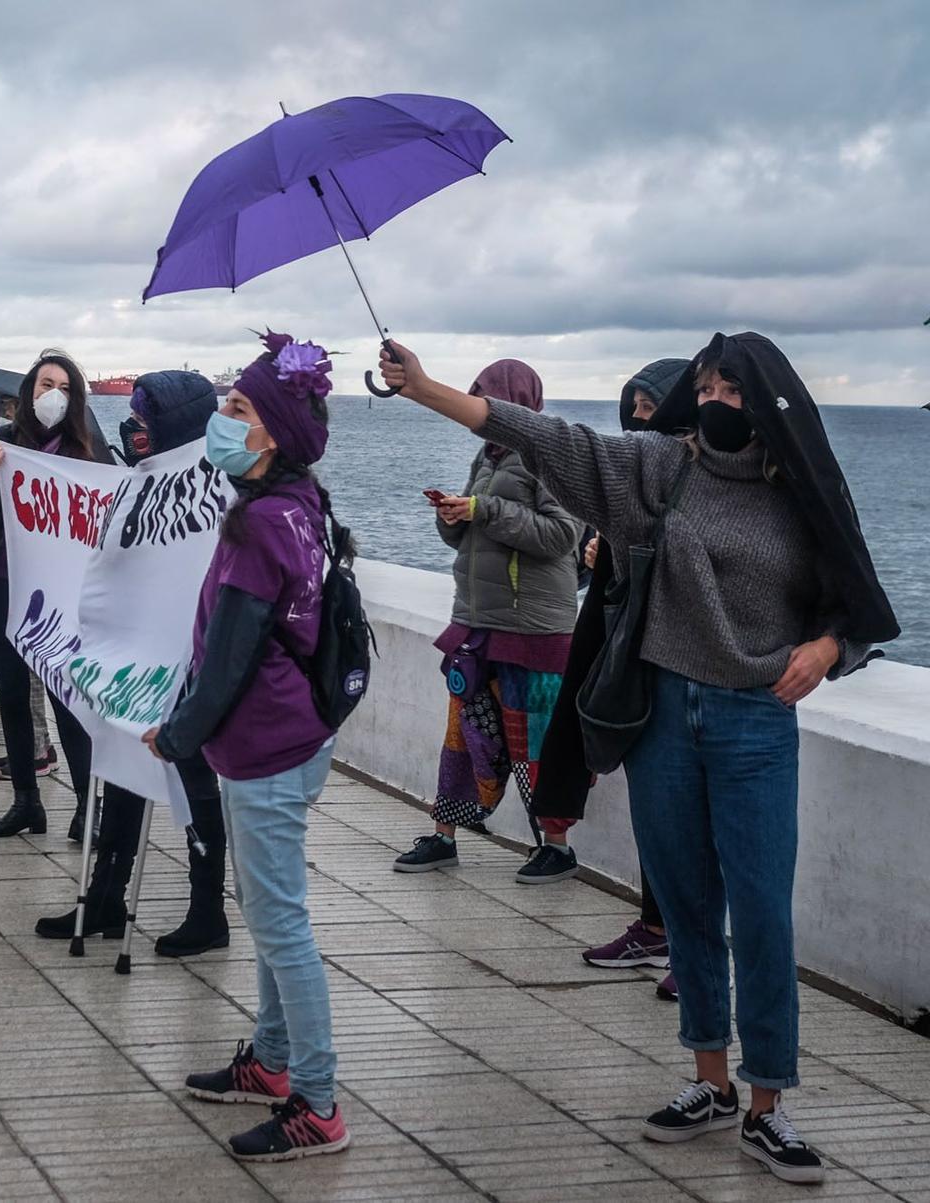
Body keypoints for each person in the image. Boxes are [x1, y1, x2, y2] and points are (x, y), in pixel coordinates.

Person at [378, 334, 896, 1185]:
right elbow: (554, 441)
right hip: (662, 716)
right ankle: (709, 1081)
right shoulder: (663, 469)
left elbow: (856, 601)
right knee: (687, 906)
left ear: (767, 401)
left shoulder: (800, 488)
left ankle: (770, 1103)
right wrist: (428, 389)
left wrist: (828, 649)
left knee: (761, 913)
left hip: (755, 721)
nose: (719, 399)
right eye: (709, 384)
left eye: (735, 388)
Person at [156, 334, 350, 1163]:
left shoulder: (256, 526)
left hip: (266, 746)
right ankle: (272, 1062)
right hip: (299, 736)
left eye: (236, 409)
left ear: (270, 432)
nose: (219, 420)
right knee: (272, 917)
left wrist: (175, 735)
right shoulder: (303, 503)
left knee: (281, 925)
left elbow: (229, 656)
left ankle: (318, 1101)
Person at [32, 369, 231, 957]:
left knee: (194, 779)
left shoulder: (219, 482)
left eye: (147, 417)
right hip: (134, 660)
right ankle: (105, 898)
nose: (136, 426)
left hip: (190, 656)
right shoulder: (142, 480)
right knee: (120, 770)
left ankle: (207, 909)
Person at [391, 360, 583, 883]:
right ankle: (446, 834)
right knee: (463, 738)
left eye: (486, 396)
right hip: (479, 623)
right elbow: (476, 532)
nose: (478, 408)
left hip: (536, 630)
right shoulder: (488, 454)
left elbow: (562, 536)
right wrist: (452, 515)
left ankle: (557, 846)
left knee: (536, 745)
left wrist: (484, 510)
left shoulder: (550, 455)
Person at [550, 359, 691, 1001]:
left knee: (692, 824)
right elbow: (600, 585)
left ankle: (693, 952)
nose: (639, 420)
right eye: (631, 408)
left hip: (685, 675)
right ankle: (656, 928)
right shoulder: (625, 486)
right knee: (653, 813)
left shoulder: (695, 484)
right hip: (630, 672)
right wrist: (601, 551)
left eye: (650, 408)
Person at [0, 351, 106, 838]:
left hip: (60, 593)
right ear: (28, 391)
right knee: (13, 697)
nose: (53, 396)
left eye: (63, 387)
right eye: (45, 385)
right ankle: (26, 802)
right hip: (4, 583)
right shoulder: (1, 441)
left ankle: (88, 806)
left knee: (66, 699)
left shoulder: (86, 450)